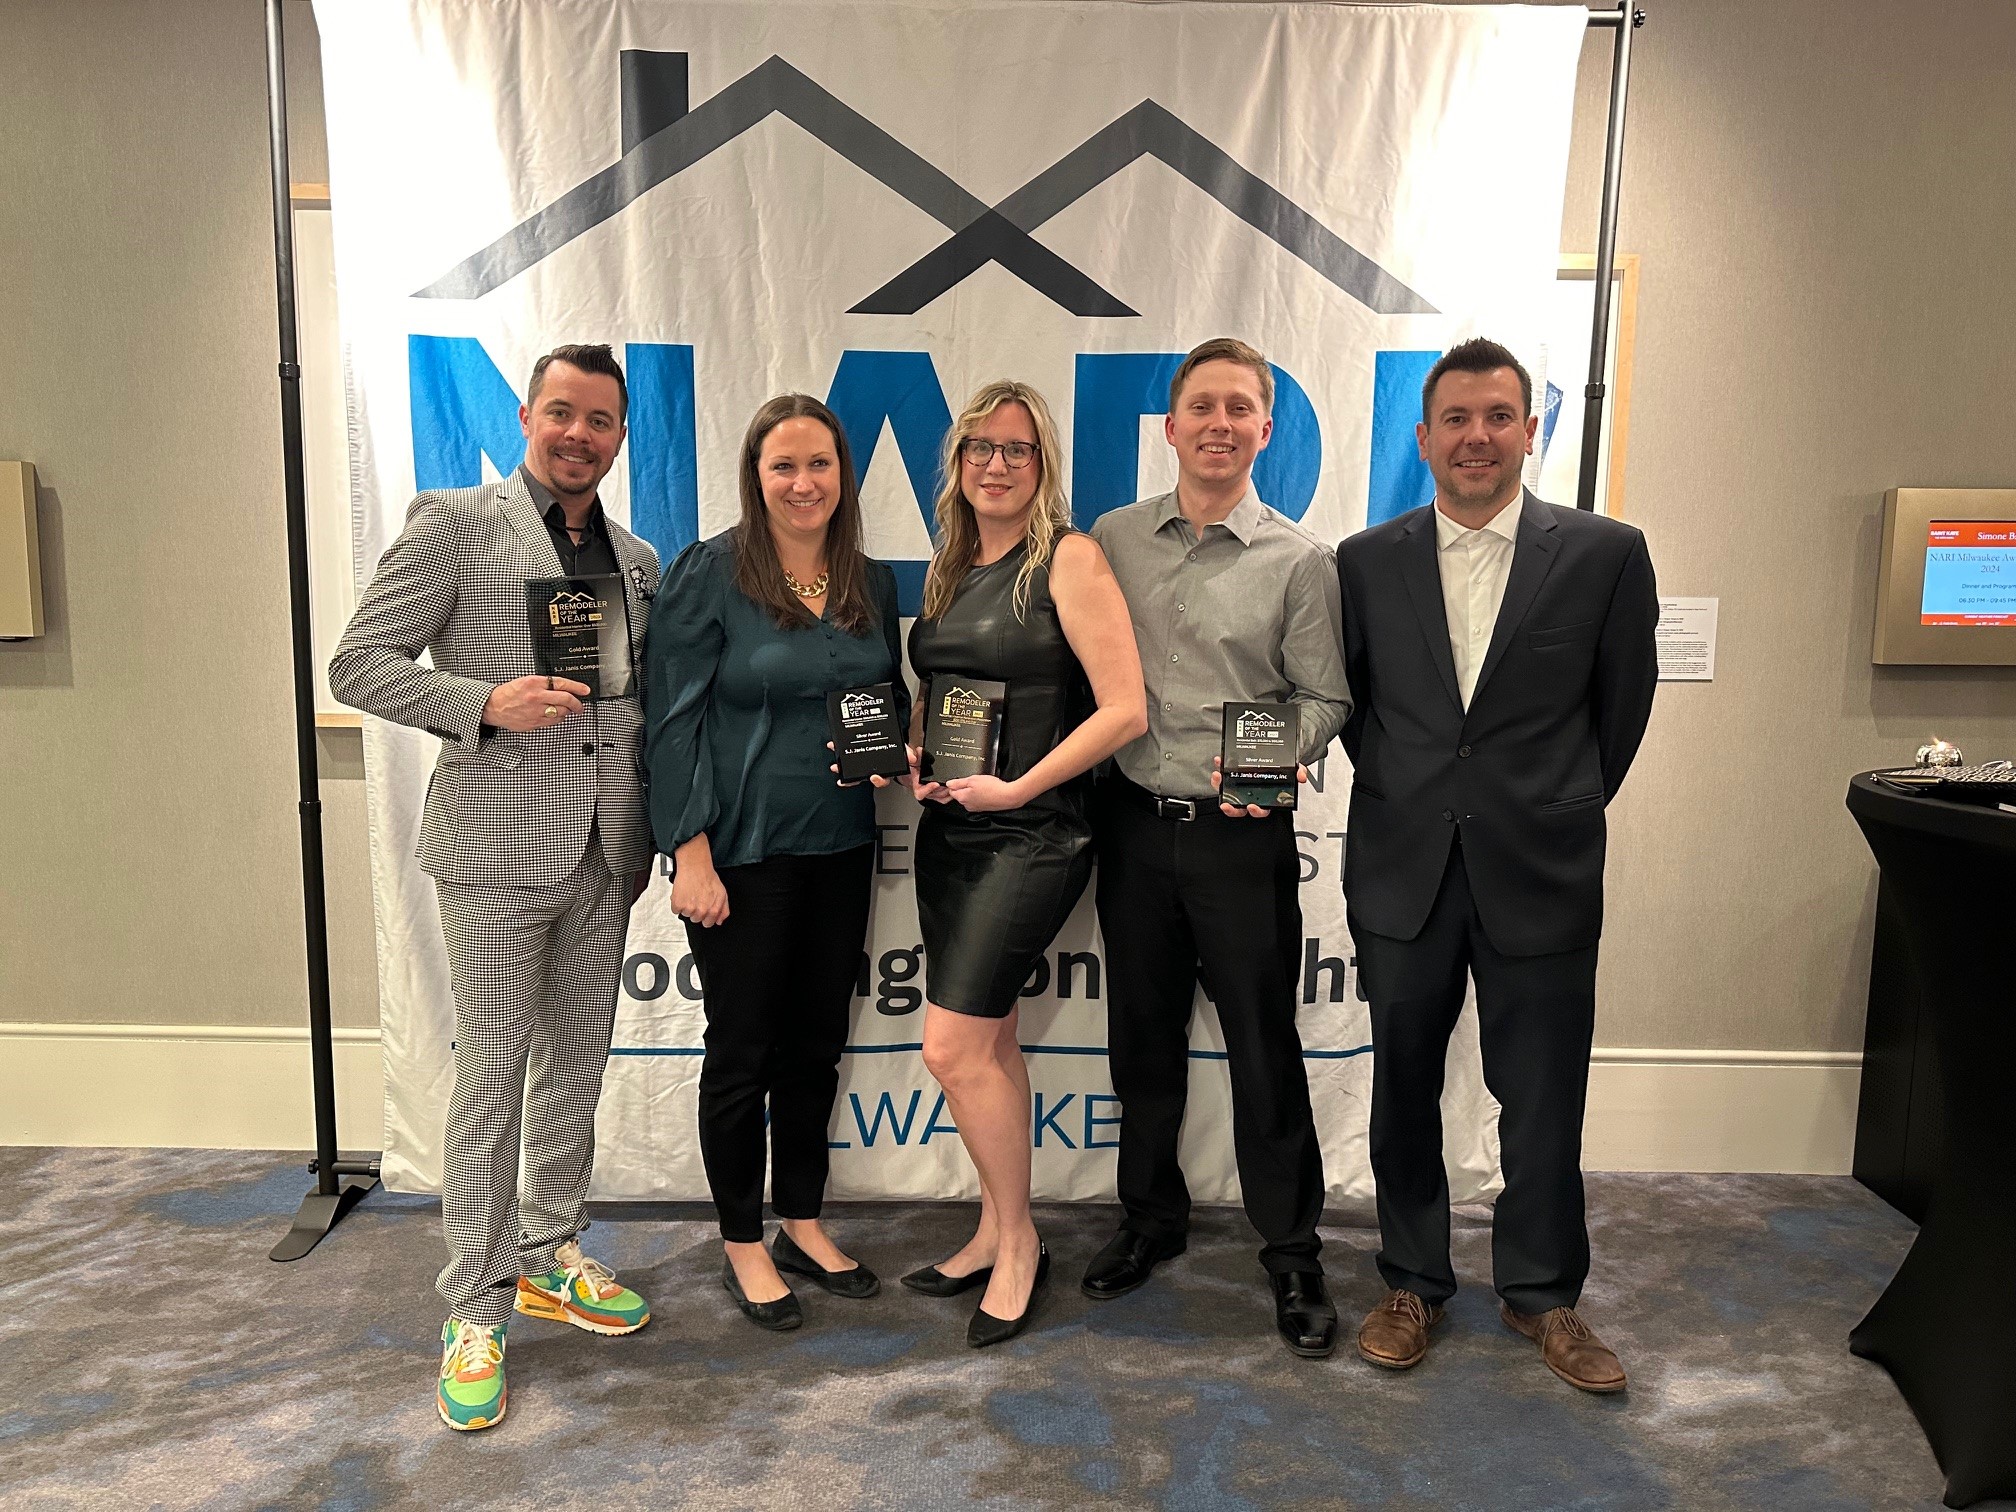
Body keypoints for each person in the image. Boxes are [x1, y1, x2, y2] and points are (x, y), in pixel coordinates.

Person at [329, 343, 656, 1432]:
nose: (578, 435)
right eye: (561, 413)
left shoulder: (638, 558)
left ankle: (550, 1248)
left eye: (600, 421)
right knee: (490, 1077)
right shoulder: (456, 523)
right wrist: (481, 701)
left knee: (576, 1067)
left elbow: (631, 705)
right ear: (528, 414)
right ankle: (474, 1306)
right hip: (495, 851)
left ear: (620, 435)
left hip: (605, 853)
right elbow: (360, 663)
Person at [1336, 336, 1658, 1392]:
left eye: (1499, 416)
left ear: (1531, 428)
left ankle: (1544, 1297)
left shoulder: (1607, 554)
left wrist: (1543, 806)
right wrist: (1427, 797)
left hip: (1544, 865)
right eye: (1458, 420)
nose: (1478, 437)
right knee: (1403, 1089)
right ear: (1423, 439)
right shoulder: (1365, 560)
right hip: (1404, 865)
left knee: (1544, 1093)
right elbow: (1361, 715)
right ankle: (1412, 1283)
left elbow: (1619, 715)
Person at [1086, 337, 1351, 1359]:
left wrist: (1280, 756)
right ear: (1172, 423)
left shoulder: (1299, 561)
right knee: (1141, 1044)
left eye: (1241, 408)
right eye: (1203, 406)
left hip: (1243, 842)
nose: (1219, 424)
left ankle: (1291, 1252)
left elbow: (1326, 697)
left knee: (1262, 1048)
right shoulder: (1112, 539)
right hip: (1135, 831)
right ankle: (1149, 1221)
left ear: (1265, 430)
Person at [643, 395, 907, 1331]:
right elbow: (669, 724)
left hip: (840, 849)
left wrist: (898, 752)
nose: (804, 484)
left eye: (821, 466)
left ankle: (801, 1217)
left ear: (845, 475)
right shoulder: (710, 574)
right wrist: (690, 854)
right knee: (743, 1051)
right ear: (756, 477)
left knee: (815, 1049)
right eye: (783, 467)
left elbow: (887, 698)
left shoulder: (868, 580)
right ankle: (742, 1239)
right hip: (742, 858)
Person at [901, 380, 1147, 1347]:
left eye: (1017, 449)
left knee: (951, 1049)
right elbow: (947, 691)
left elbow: (1124, 709)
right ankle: (992, 1227)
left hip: (1035, 832)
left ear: (1042, 466)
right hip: (951, 830)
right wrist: (921, 751)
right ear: (956, 464)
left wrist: (1019, 787)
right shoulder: (951, 563)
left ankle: (1020, 1247)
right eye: (979, 449)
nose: (995, 465)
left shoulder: (1070, 559)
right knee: (993, 1041)